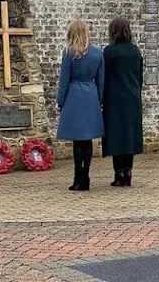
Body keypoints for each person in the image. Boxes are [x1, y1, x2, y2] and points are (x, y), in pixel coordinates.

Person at [56, 19, 104, 191]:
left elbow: (64, 80)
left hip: (74, 95)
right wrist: (99, 100)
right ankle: (86, 176)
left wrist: (60, 100)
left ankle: (78, 177)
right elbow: (101, 80)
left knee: (78, 141)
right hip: (90, 94)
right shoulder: (98, 53)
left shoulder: (69, 53)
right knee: (88, 139)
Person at [102, 17, 144, 187]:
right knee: (130, 135)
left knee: (116, 135)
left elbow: (103, 77)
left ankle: (118, 173)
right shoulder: (135, 51)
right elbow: (140, 76)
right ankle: (128, 172)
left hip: (114, 98)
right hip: (133, 97)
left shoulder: (109, 52)